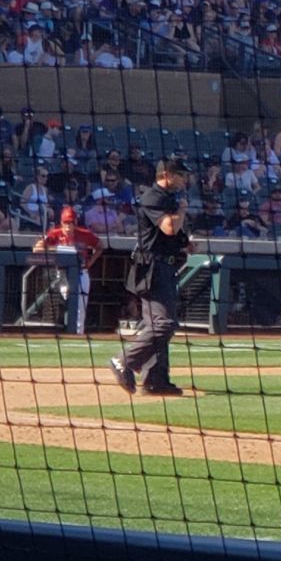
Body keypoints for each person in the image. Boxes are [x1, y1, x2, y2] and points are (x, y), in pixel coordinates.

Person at [113, 157, 191, 397]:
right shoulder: (153, 196)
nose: (183, 179)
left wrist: (185, 245)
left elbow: (171, 236)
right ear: (166, 175)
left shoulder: (167, 198)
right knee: (164, 324)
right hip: (153, 269)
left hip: (163, 267)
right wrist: (182, 210)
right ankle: (123, 361)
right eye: (179, 174)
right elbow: (169, 227)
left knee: (156, 324)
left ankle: (155, 380)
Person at [35, 204, 103, 333]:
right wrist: (58, 249)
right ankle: (66, 329)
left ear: (75, 222)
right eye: (66, 223)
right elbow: (37, 248)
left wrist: (91, 261)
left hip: (81, 271)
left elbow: (100, 246)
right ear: (61, 222)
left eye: (71, 223)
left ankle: (78, 333)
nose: (68, 226)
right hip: (62, 273)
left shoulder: (85, 234)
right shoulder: (55, 233)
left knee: (81, 306)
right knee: (68, 298)